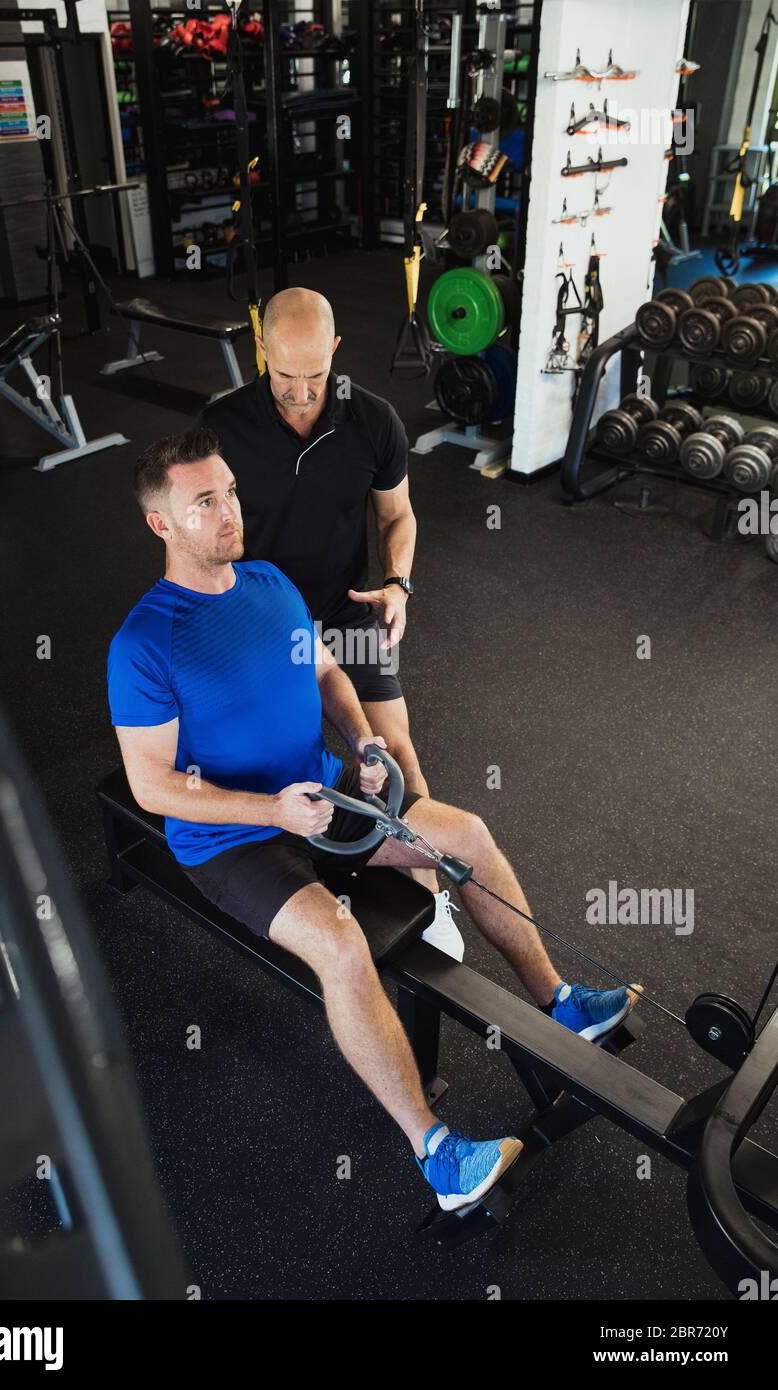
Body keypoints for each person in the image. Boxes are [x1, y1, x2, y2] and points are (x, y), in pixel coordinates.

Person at [108, 429, 641, 1212]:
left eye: (229, 491)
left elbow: (325, 670)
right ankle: (437, 1153)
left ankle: (559, 1001)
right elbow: (152, 787)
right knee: (343, 945)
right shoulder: (145, 642)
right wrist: (270, 809)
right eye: (205, 503)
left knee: (467, 836)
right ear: (163, 525)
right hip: (234, 839)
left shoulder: (267, 583)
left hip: (322, 793)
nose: (230, 512)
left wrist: (363, 741)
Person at [198, 287, 466, 961]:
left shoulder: (373, 422)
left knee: (391, 753)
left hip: (346, 610)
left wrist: (399, 582)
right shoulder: (221, 426)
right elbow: (194, 538)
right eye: (284, 375)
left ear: (336, 351)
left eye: (313, 375)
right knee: (270, 761)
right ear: (260, 349)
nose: (298, 390)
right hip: (258, 620)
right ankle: (296, 889)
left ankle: (431, 897)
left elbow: (397, 516)